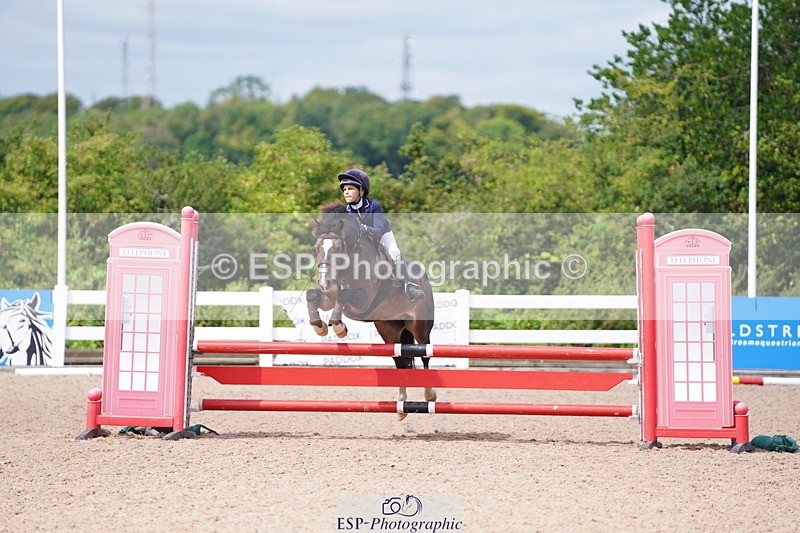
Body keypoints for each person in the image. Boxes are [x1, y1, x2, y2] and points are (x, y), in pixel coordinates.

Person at [337, 168, 425, 302]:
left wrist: (362, 228)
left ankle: (409, 285)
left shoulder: (373, 205)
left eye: (350, 188)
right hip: (363, 238)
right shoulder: (346, 210)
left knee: (394, 252)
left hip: (382, 233)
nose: (346, 192)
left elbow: (378, 230)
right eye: (344, 190)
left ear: (361, 191)